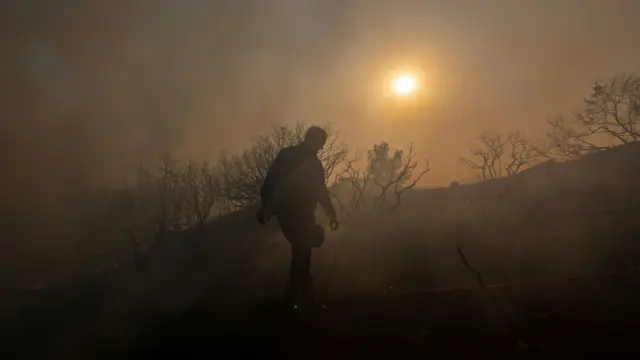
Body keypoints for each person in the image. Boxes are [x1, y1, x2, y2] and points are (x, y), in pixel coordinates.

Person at [256, 126, 339, 311]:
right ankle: (303, 302)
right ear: (312, 140)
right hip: (290, 213)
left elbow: (320, 191)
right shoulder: (289, 157)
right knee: (302, 252)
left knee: (302, 254)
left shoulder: (311, 163)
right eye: (320, 144)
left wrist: (331, 213)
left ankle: (293, 301)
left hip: (303, 214)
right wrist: (265, 206)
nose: (321, 149)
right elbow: (270, 181)